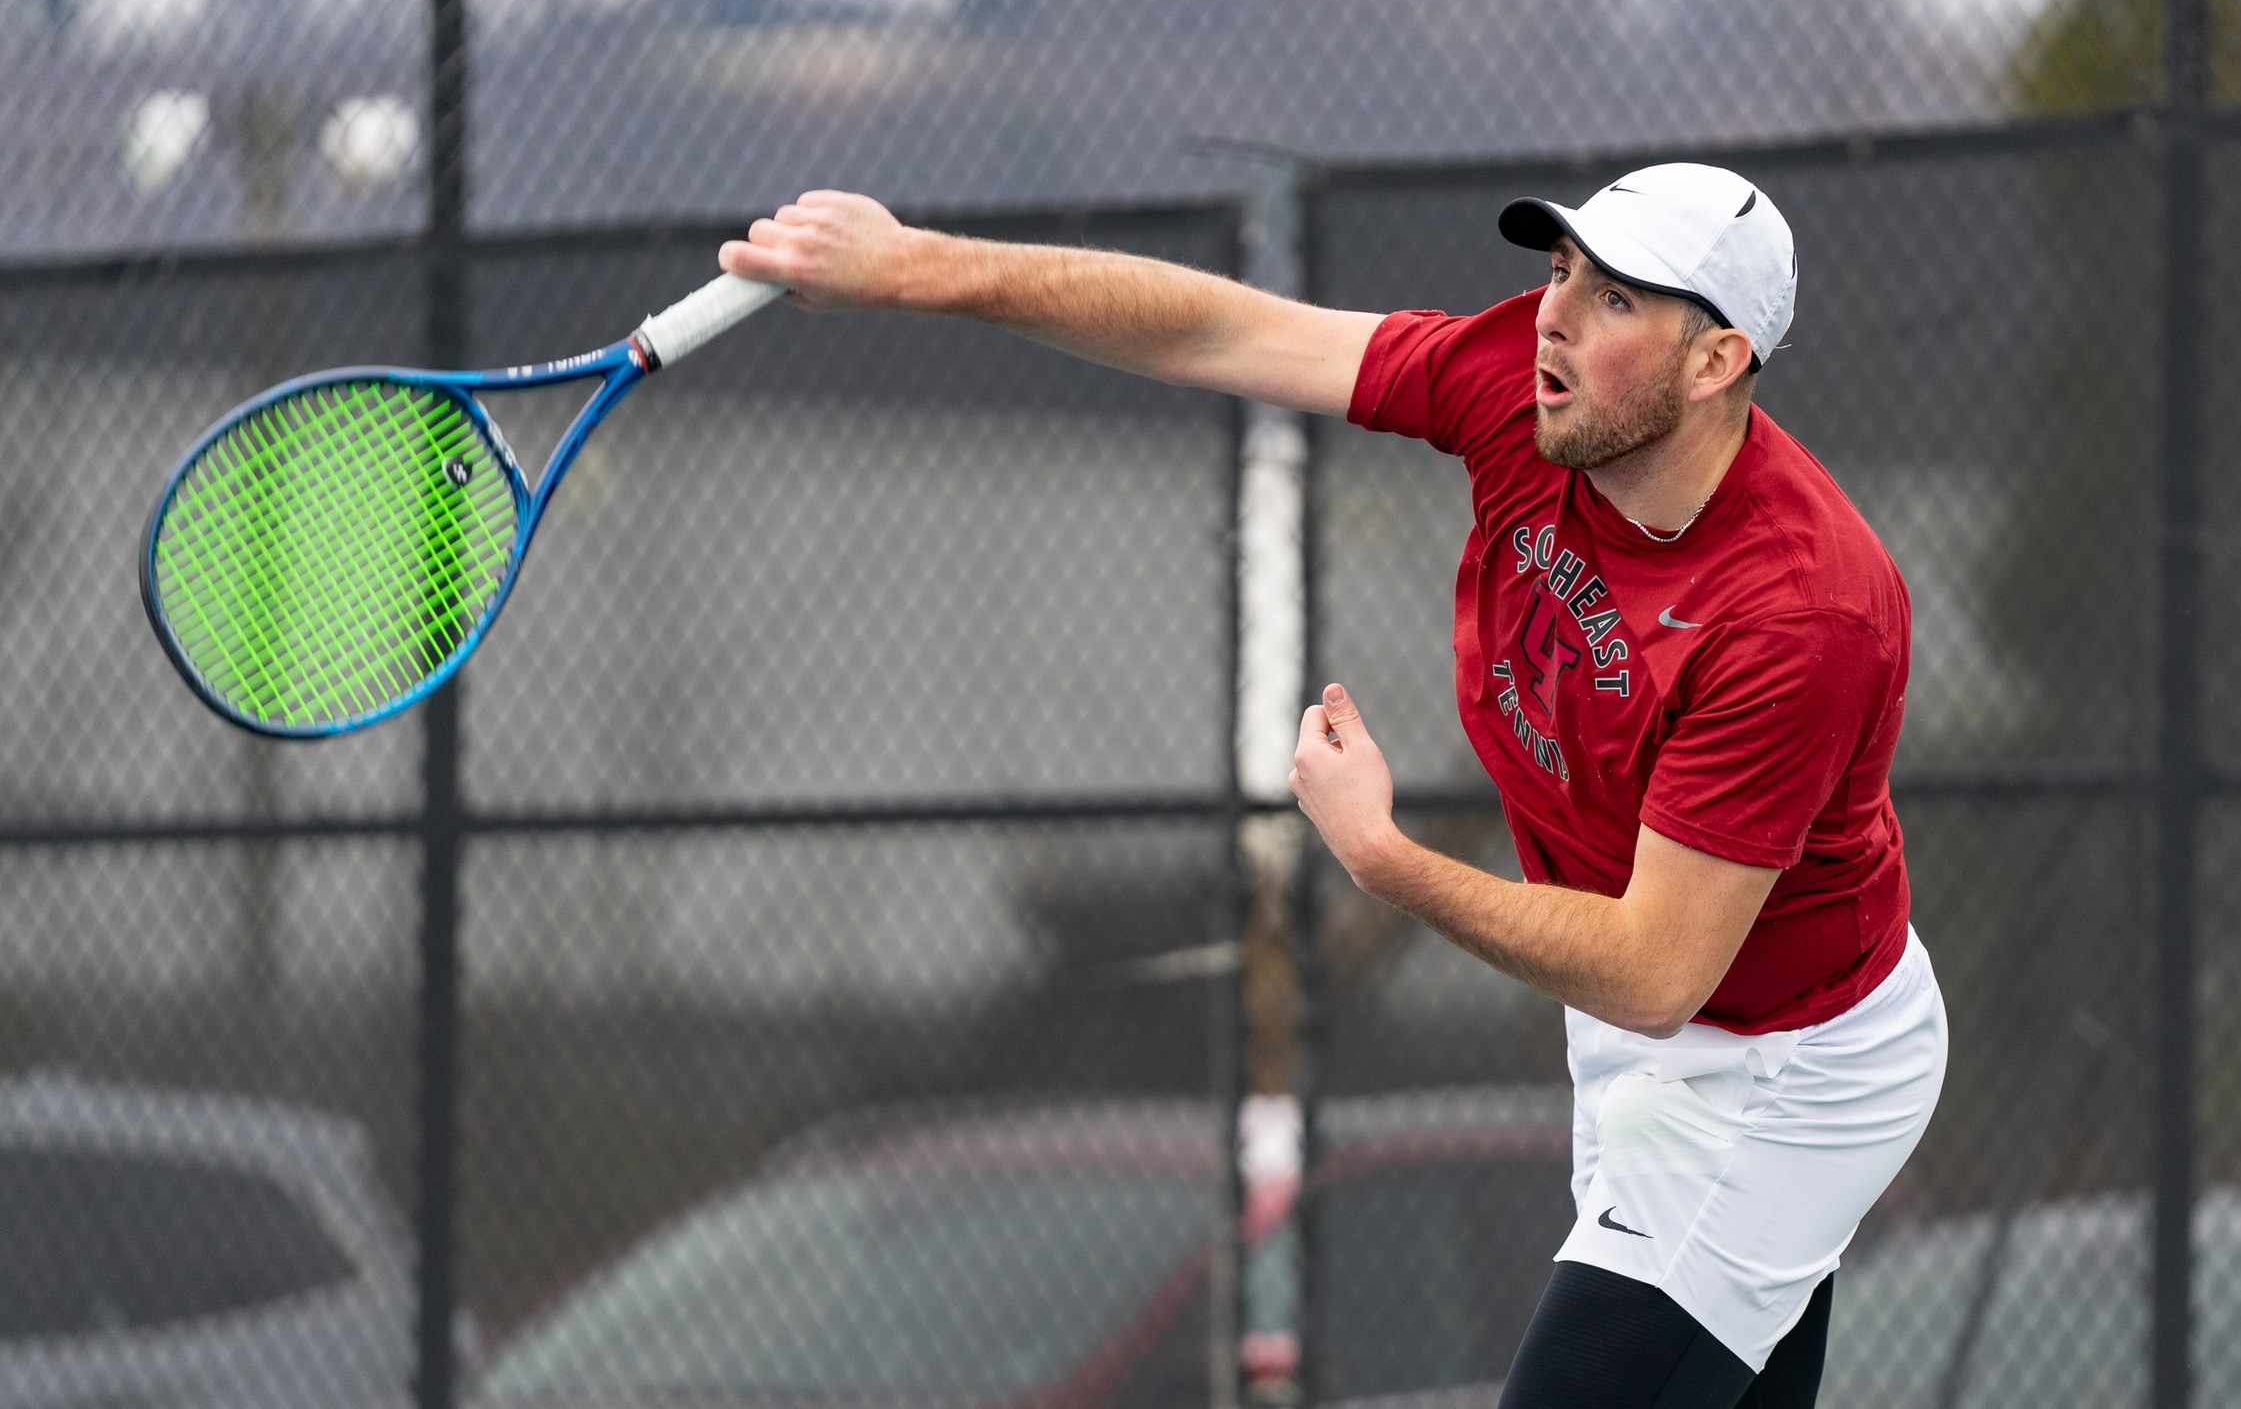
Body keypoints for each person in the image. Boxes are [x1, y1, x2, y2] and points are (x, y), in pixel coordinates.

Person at [718, 163, 1946, 1409]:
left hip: (1781, 1068)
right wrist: (909, 263)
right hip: (1651, 1038)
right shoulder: (1521, 393)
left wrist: (1386, 860)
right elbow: (1223, 328)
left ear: (1714, 361)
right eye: (1560, 271)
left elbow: (1652, 968)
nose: (1555, 317)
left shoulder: (1799, 614)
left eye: (1617, 297)